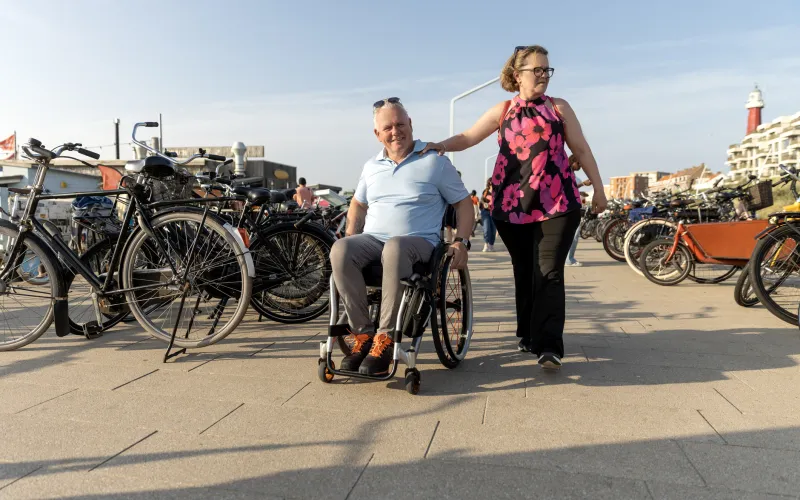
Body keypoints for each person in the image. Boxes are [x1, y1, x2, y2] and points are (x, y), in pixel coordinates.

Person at [420, 45, 607, 370]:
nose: (543, 76)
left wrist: (600, 189)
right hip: (511, 208)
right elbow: (468, 136)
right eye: (537, 70)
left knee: (548, 271)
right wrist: (440, 145)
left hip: (558, 204)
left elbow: (581, 147)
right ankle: (527, 333)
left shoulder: (558, 107)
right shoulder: (504, 109)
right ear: (517, 74)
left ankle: (549, 346)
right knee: (525, 270)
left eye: (547, 70)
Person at [330, 98, 474, 376]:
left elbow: (464, 204)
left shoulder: (434, 162)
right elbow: (358, 204)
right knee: (340, 250)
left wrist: (461, 241)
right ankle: (363, 336)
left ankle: (385, 340)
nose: (395, 131)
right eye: (388, 127)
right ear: (377, 134)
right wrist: (350, 235)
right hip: (374, 239)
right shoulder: (371, 166)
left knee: (394, 247)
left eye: (400, 124)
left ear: (410, 125)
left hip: (419, 243)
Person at [566, 154, 593, 267]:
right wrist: (582, 184)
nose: (580, 166)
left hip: (571, 206)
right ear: (573, 161)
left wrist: (579, 192)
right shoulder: (566, 172)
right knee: (574, 234)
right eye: (579, 164)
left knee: (572, 234)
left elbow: (570, 188)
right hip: (569, 208)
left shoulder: (570, 173)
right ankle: (569, 259)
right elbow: (566, 187)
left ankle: (568, 258)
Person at [479, 178, 496, 252]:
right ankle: (486, 244)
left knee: (493, 230)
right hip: (485, 212)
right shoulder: (485, 191)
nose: (491, 185)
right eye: (490, 183)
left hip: (494, 213)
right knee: (486, 229)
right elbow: (481, 200)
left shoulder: (497, 191)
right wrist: (484, 203)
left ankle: (491, 245)